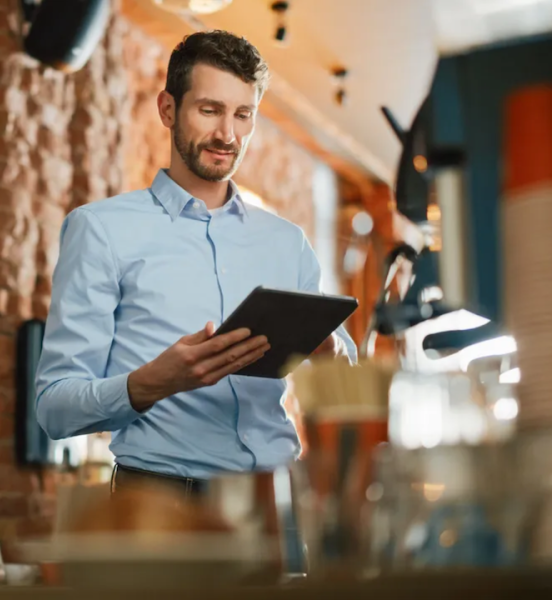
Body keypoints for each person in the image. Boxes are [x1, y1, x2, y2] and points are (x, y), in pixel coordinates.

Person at [35, 30, 357, 498]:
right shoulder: (100, 230)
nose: (228, 134)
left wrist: (331, 355)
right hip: (158, 504)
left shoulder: (288, 243)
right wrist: (150, 383)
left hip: (278, 504)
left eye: (242, 115)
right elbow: (53, 407)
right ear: (168, 109)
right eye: (210, 110)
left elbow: (344, 388)